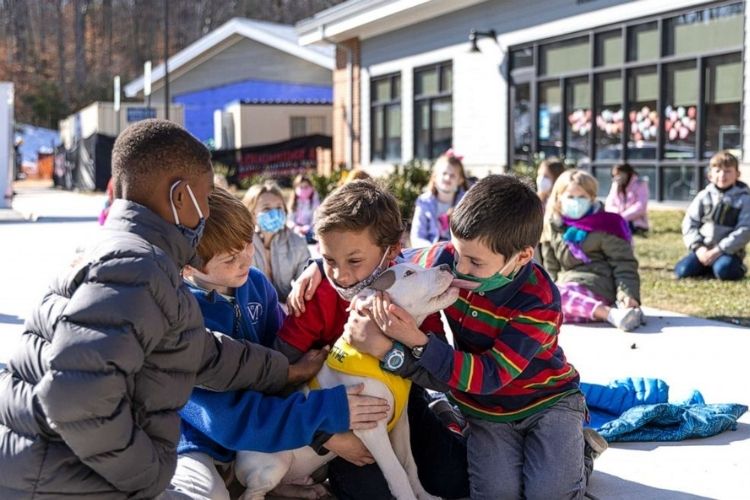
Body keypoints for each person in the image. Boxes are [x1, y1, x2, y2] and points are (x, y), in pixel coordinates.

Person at [0, 119, 322, 499]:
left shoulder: (123, 254)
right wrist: (149, 474)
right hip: (62, 480)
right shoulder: (136, 268)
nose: (206, 212)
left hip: (48, 469)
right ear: (181, 196)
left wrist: (285, 369)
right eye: (205, 196)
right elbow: (74, 401)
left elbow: (197, 351)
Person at [294, 175, 603, 499]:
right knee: (495, 493)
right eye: (457, 253)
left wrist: (406, 342)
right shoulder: (446, 261)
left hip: (544, 401)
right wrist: (319, 264)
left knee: (547, 494)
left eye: (474, 262)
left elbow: (488, 376)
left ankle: (578, 451)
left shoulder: (538, 301)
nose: (459, 268)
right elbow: (390, 259)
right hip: (486, 412)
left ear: (522, 257)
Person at [171, 187, 388, 500]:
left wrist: (317, 265)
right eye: (231, 258)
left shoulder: (255, 282)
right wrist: (323, 422)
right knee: (204, 494)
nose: (246, 258)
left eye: (247, 244)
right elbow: (227, 417)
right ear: (188, 267)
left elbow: (284, 362)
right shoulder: (182, 316)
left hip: (263, 432)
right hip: (200, 441)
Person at [278, 180, 470, 500]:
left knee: (453, 479)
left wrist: (385, 349)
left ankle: (445, 417)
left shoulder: (413, 288)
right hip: (336, 424)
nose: (340, 275)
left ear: (392, 250)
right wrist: (327, 436)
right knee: (372, 492)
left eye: (354, 261)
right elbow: (278, 378)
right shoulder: (313, 295)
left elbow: (440, 375)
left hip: (403, 407)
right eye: (328, 260)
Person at [541, 169, 643, 331]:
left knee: (552, 296)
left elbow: (624, 264)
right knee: (545, 302)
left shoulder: (607, 225)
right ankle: (605, 314)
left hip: (598, 285)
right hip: (568, 286)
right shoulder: (553, 226)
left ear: (592, 198)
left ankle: (609, 313)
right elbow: (550, 268)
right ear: (559, 198)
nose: (576, 201)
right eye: (571, 197)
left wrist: (628, 295)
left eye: (582, 197)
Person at [675, 150, 750, 281]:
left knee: (724, 271)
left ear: (737, 174)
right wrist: (698, 248)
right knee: (682, 271)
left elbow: (745, 229)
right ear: (710, 175)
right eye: (718, 171)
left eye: (728, 171)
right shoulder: (703, 196)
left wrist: (719, 250)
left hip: (728, 251)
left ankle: (735, 268)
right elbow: (690, 223)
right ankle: (706, 266)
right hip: (703, 248)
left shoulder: (744, 200)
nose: (722, 175)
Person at [243, 181, 310, 304]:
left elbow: (307, 280)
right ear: (251, 214)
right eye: (267, 208)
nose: (275, 213)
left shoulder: (297, 243)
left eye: (279, 207)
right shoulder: (240, 245)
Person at [410, 149, 469, 248]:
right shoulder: (424, 202)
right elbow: (417, 237)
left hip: (457, 254)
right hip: (430, 253)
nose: (447, 178)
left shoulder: (466, 202)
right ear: (435, 176)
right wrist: (433, 250)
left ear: (460, 180)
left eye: (452, 175)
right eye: (444, 173)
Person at [604, 163, 650, 235]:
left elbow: (640, 206)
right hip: (617, 219)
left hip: (634, 222)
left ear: (626, 173)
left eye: (619, 174)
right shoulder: (616, 185)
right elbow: (609, 204)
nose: (617, 177)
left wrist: (622, 217)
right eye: (614, 175)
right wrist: (617, 214)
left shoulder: (640, 184)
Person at [289, 173, 320, 244]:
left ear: (311, 187)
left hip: (310, 231)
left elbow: (316, 218)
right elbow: (290, 219)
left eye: (306, 187)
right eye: (301, 187)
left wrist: (308, 227)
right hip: (296, 230)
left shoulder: (314, 201)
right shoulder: (294, 202)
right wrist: (296, 227)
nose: (303, 190)